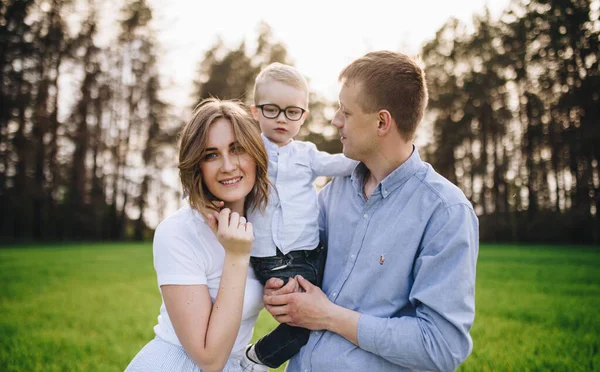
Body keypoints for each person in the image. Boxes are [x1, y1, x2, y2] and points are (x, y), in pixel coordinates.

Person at [263, 51, 479, 371]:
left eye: (345, 112)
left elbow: (441, 346)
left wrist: (329, 316)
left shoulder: (445, 212)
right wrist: (282, 289)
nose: (336, 120)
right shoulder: (333, 192)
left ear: (382, 122)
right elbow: (303, 263)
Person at [125, 99, 270, 372]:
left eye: (237, 149)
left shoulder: (267, 224)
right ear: (197, 166)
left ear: (256, 154)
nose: (227, 166)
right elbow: (209, 359)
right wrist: (236, 256)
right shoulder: (179, 232)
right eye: (211, 155)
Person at [242, 63, 358, 369]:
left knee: (334, 302)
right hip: (273, 257)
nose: (282, 118)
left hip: (310, 251)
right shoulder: (249, 152)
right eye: (272, 110)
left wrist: (373, 156)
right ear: (256, 112)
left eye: (292, 111)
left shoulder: (307, 154)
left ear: (303, 116)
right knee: (303, 323)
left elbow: (341, 164)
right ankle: (256, 359)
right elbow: (222, 177)